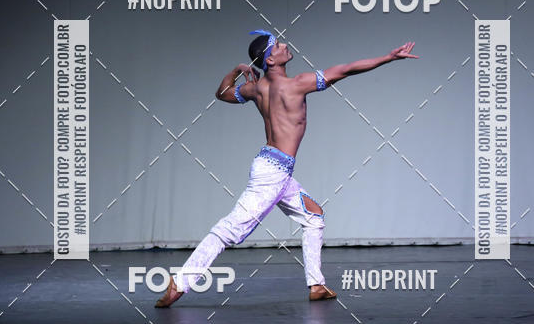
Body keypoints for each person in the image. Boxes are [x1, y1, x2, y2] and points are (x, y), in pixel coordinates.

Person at [155, 29, 418, 307]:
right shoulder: (297, 84)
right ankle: (180, 282)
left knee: (314, 216)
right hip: (272, 174)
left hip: (275, 170)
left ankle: (316, 285)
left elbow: (222, 93)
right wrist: (388, 58)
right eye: (277, 45)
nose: (284, 45)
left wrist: (237, 70)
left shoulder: (257, 89)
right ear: (270, 60)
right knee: (231, 229)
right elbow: (347, 69)